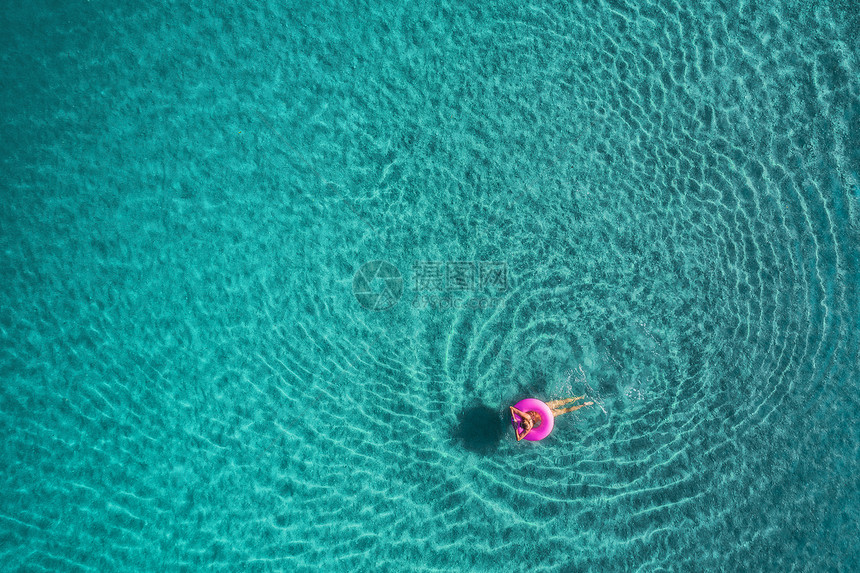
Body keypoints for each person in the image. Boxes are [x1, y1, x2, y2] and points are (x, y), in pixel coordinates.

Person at [511, 396, 594, 441]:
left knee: (564, 410)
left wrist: (515, 428)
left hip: (546, 413)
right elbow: (512, 408)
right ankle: (580, 398)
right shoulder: (526, 417)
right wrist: (514, 418)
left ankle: (582, 405)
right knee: (562, 402)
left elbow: (518, 438)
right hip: (544, 409)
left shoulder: (527, 429)